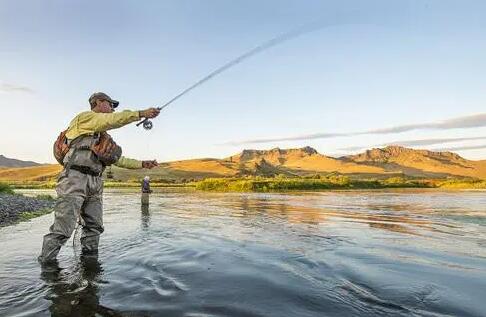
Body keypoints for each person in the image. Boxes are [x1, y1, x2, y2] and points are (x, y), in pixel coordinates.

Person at [38, 92, 160, 264]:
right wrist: (141, 114)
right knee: (63, 229)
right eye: (110, 104)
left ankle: (90, 266)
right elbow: (112, 120)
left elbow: (119, 160)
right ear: (99, 103)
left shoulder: (102, 135)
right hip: (74, 179)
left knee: (94, 227)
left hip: (96, 182)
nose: (111, 109)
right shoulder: (84, 118)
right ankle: (47, 268)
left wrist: (142, 164)